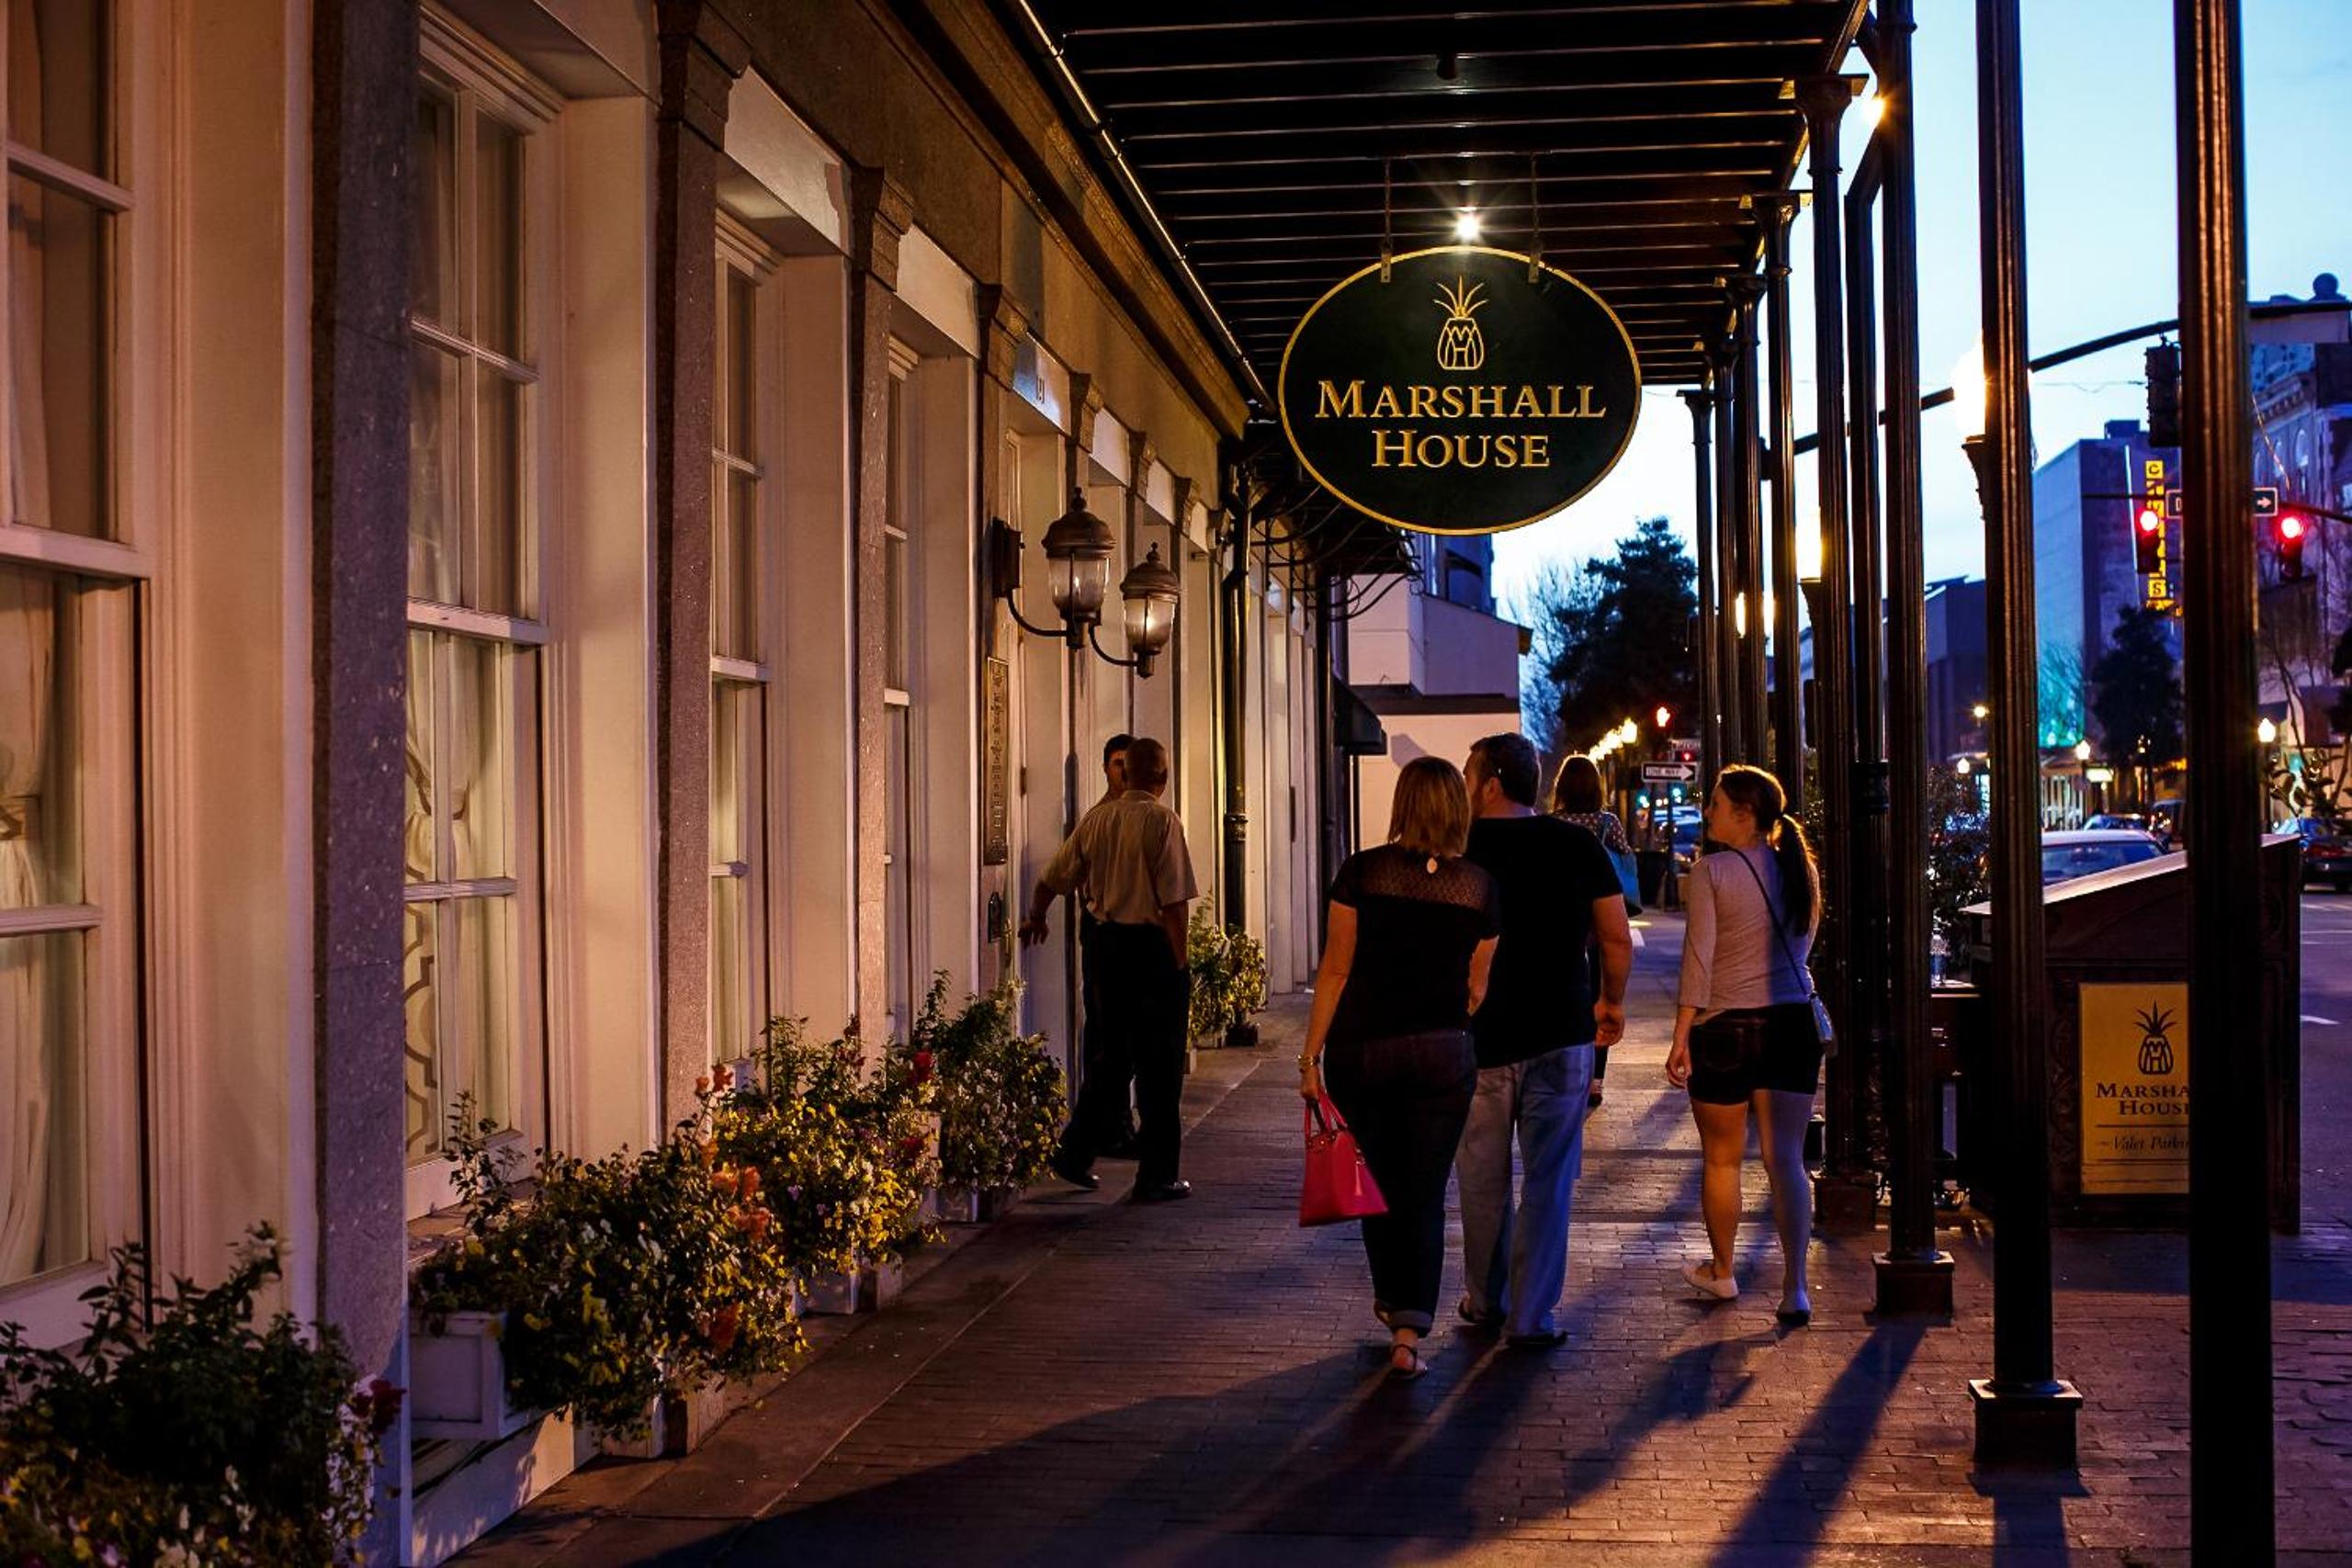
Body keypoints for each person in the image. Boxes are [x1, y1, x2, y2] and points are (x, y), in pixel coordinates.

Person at [1298, 757, 1498, 1379]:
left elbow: (1335, 969)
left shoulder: (1362, 872)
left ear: (1403, 804)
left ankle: (1392, 1304)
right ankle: (1410, 1326)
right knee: (1425, 1190)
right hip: (1443, 1050)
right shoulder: (1478, 886)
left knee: (1378, 1184)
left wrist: (1309, 1057)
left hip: (1364, 1049)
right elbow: (1477, 987)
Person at [1457, 735, 1631, 1348]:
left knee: (1481, 1180)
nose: (1464, 785)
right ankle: (1530, 1316)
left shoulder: (1461, 847)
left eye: (1468, 774)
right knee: (1548, 1181)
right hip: (1561, 1030)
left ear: (1490, 783)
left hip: (1480, 1037)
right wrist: (1611, 1001)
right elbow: (1616, 936)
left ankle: (1486, 1300)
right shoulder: (1576, 844)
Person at [1663, 764, 1824, 1325]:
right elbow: (1803, 946)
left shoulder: (1712, 871)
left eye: (1714, 803)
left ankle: (1724, 1270)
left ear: (1744, 814)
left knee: (1722, 1158)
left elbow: (1699, 960)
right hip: (1792, 1025)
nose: (1706, 811)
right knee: (1787, 1160)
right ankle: (1795, 1287)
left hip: (1725, 1027)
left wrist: (1681, 1035)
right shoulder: (1799, 868)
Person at [1022, 738, 1197, 1201]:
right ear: (1162, 778)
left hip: (1106, 948)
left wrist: (1036, 916)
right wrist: (1180, 964)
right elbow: (1174, 903)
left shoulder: (1097, 820)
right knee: (1161, 1065)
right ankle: (1157, 1173)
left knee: (1114, 1056)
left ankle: (1074, 1152)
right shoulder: (1163, 822)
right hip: (1151, 950)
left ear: (1127, 774)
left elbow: (1052, 878)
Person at [1020, 735, 1137, 1158]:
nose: (1124, 771)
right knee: (1108, 1034)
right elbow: (1054, 876)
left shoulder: (1146, 817)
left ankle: (1112, 1126)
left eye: (1130, 763)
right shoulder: (1098, 820)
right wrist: (1037, 915)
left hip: (1132, 936)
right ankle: (1102, 1131)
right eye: (1117, 763)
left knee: (1123, 1036)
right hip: (1105, 933)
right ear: (1105, 768)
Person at [1552, 754, 1637, 1111]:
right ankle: (1595, 1081)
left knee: (1568, 993)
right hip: (1602, 918)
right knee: (1601, 996)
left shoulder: (1553, 824)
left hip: (1564, 919)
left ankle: (1566, 1071)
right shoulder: (1607, 822)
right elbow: (1625, 856)